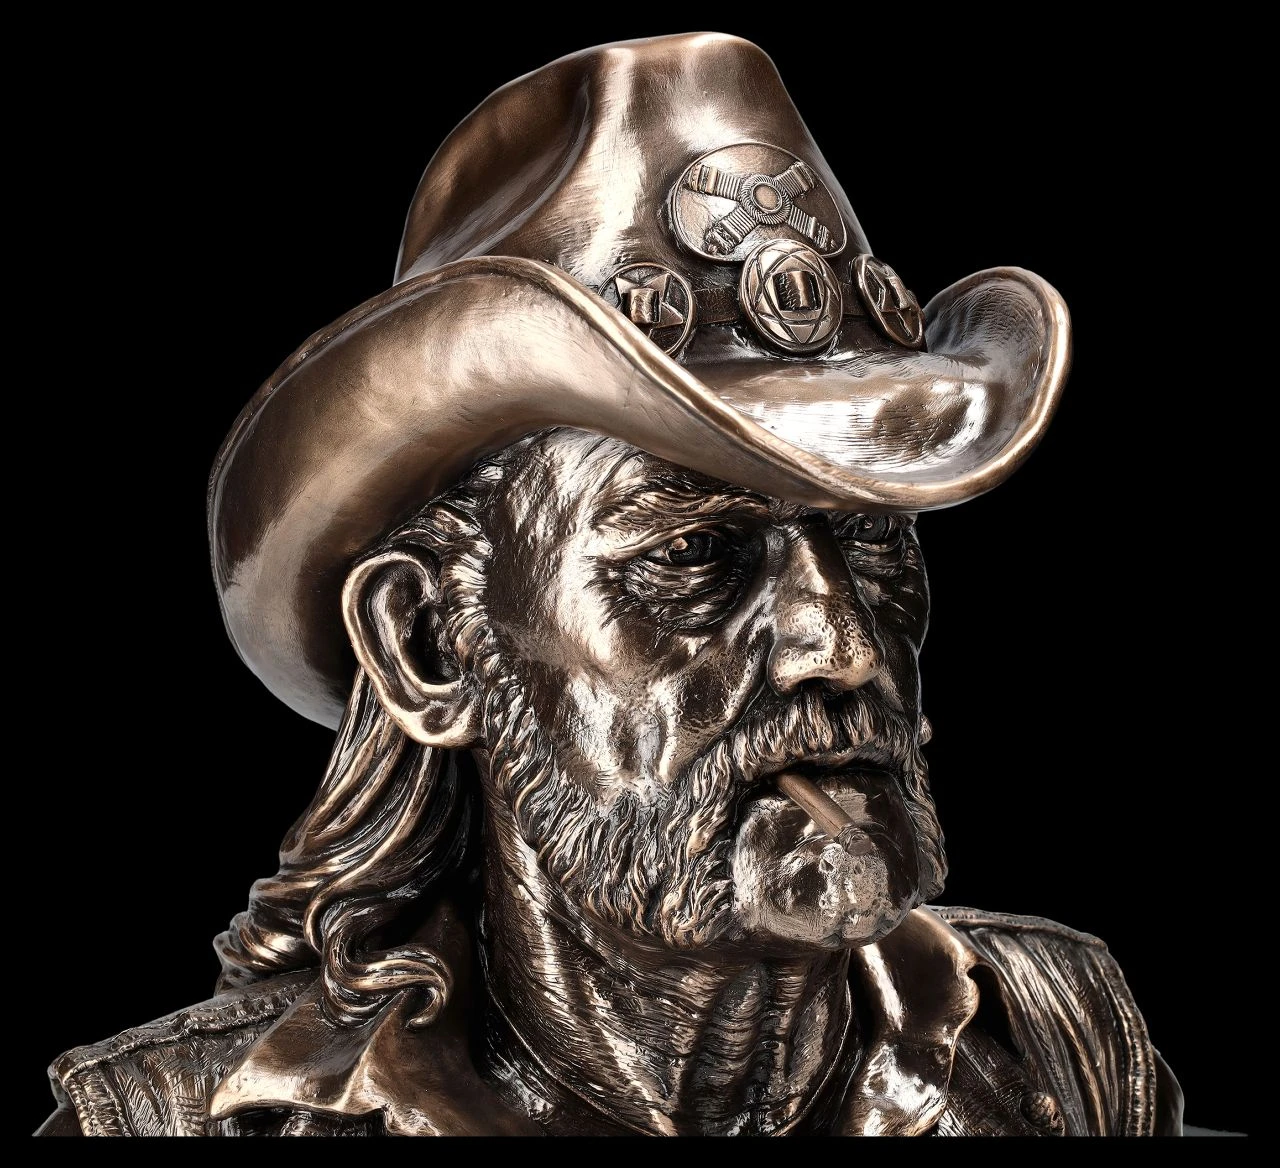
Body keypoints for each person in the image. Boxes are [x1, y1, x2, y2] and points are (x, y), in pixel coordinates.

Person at [37, 32, 1182, 1136]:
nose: (842, 645)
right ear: (428, 643)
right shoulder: (179, 1124)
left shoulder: (1059, 1042)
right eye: (691, 554)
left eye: (871, 542)